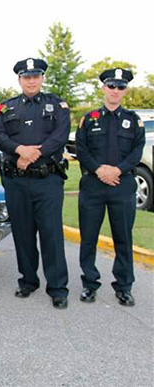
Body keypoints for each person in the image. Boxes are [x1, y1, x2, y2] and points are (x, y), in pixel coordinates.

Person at [0, 58, 70, 309]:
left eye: (36, 76)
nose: (32, 81)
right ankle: (28, 281)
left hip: (48, 180)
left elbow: (60, 135)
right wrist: (19, 151)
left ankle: (57, 288)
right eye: (27, 77)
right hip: (17, 182)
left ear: (42, 78)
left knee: (51, 234)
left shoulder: (56, 105)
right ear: (19, 80)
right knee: (23, 233)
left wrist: (33, 154)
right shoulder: (6, 108)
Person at [75, 68, 145, 306]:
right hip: (93, 185)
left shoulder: (134, 120)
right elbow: (81, 149)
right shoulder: (89, 118)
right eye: (111, 86)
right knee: (88, 238)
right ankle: (90, 284)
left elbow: (137, 151)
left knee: (123, 238)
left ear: (125, 91)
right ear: (104, 88)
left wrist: (116, 170)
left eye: (121, 87)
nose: (116, 91)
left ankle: (124, 286)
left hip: (122, 185)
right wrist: (99, 170)